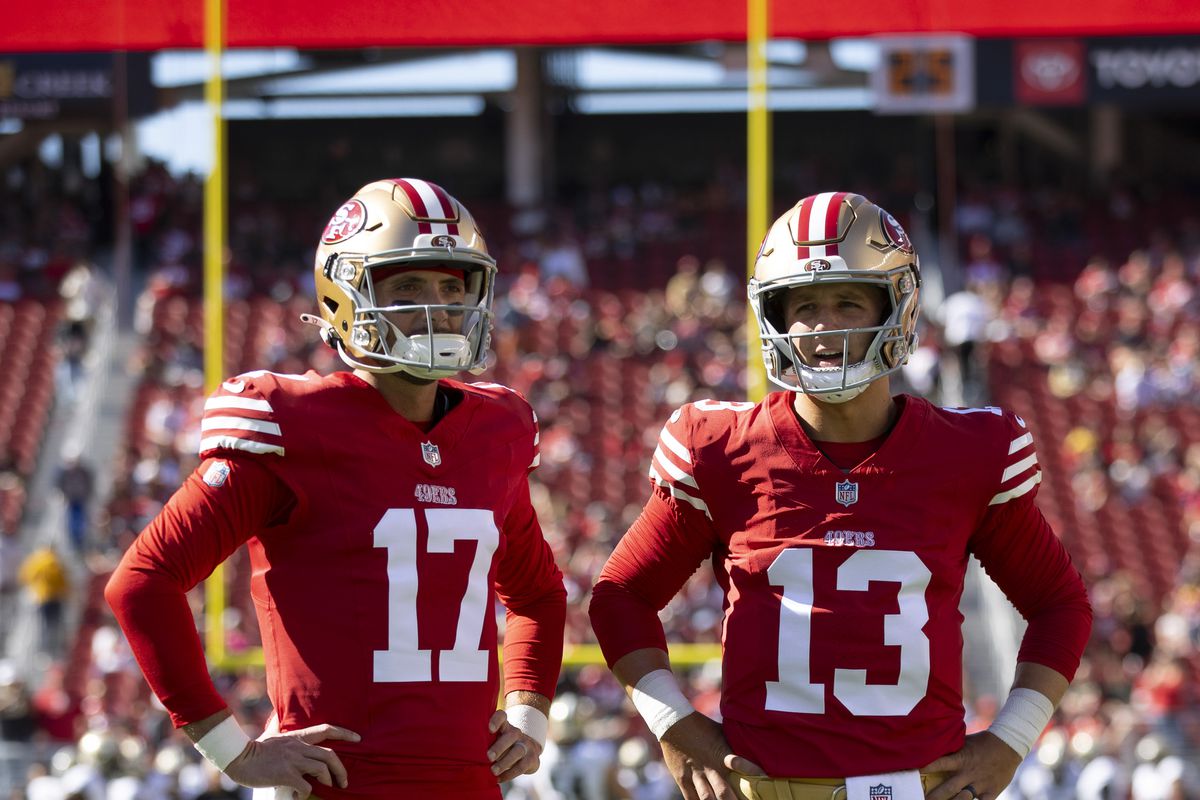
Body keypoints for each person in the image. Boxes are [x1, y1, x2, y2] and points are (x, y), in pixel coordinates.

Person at [589, 192, 1093, 800]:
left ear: (897, 308)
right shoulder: (719, 448)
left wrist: (1011, 739)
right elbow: (621, 595)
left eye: (848, 301)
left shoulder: (971, 452)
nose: (824, 328)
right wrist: (675, 724)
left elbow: (1060, 605)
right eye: (804, 306)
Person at [106, 178, 568, 800]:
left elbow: (537, 592)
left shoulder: (497, 429)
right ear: (344, 294)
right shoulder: (290, 422)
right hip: (334, 786)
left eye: (451, 286)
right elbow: (143, 580)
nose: (436, 306)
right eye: (407, 285)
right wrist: (228, 749)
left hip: (466, 783)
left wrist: (528, 712)